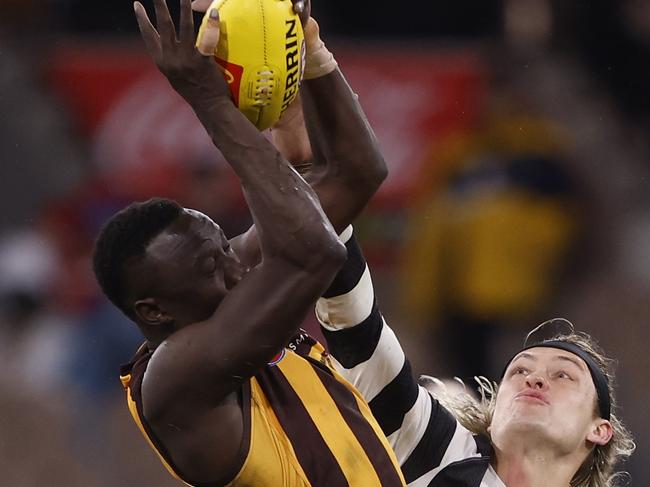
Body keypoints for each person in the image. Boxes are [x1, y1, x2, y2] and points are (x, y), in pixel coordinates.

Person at [92, 0, 406, 485]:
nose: (238, 266)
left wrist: (309, 52)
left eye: (225, 246)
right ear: (156, 312)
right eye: (212, 267)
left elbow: (357, 174)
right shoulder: (177, 379)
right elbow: (316, 251)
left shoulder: (223, 287)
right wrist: (212, 103)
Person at [316, 236, 636, 485]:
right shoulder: (438, 451)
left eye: (563, 376)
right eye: (520, 369)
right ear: (494, 414)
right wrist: (330, 215)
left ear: (599, 430)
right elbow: (358, 333)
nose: (533, 379)